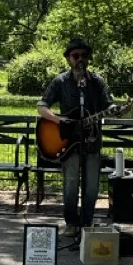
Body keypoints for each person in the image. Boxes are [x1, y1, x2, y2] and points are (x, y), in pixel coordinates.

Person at [37, 38, 117, 233]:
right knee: (71, 184)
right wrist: (59, 121)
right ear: (68, 59)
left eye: (84, 55)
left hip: (92, 141)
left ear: (88, 58)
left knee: (92, 187)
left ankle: (87, 223)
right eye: (75, 56)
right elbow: (41, 106)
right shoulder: (61, 81)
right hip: (68, 143)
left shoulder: (97, 82)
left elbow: (109, 104)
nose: (80, 59)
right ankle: (71, 223)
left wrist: (118, 109)